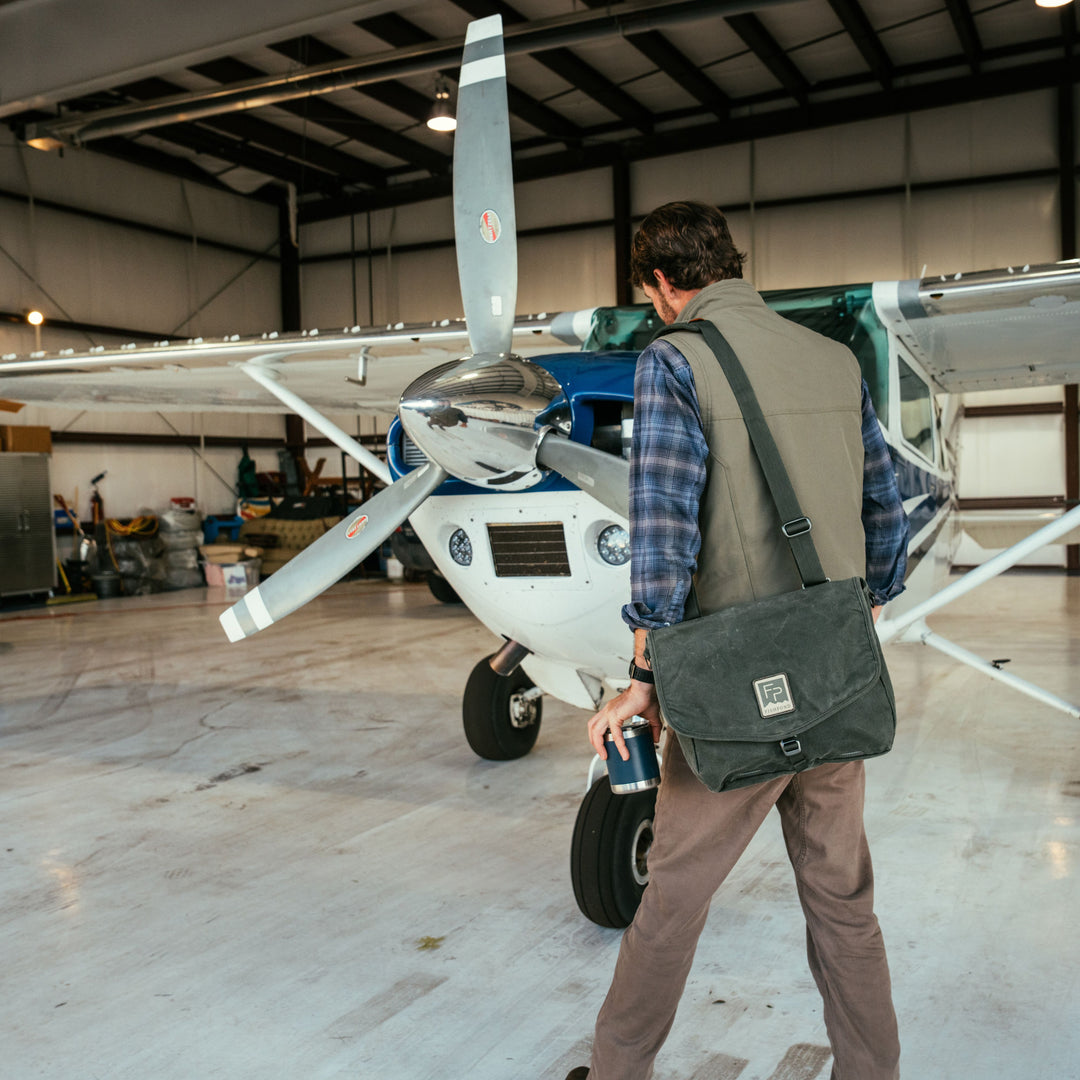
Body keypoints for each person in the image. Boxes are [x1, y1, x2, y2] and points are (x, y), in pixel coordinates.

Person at [564, 201, 909, 1080]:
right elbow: (885, 509)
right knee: (844, 903)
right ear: (731, 265)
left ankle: (615, 1073)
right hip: (834, 675)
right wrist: (855, 619)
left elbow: (665, 527)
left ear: (660, 286)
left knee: (672, 902)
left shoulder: (672, 360)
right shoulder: (835, 358)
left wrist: (642, 673)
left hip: (731, 693)